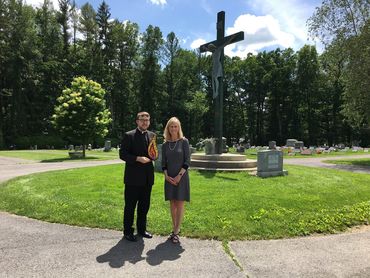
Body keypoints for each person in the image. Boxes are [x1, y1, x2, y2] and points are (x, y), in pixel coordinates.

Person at [119, 111, 156, 242]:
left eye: (147, 119)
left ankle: (141, 229)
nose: (145, 122)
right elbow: (122, 154)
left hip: (147, 178)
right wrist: (137, 158)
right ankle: (128, 231)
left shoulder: (152, 135)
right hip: (133, 179)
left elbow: (153, 153)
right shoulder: (129, 135)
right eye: (142, 119)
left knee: (144, 206)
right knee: (130, 206)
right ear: (137, 121)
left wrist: (154, 156)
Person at [161, 117, 190, 244]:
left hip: (181, 177)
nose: (173, 129)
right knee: (172, 204)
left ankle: (176, 231)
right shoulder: (165, 144)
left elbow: (187, 161)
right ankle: (174, 229)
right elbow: (163, 163)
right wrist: (166, 176)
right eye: (171, 126)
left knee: (180, 203)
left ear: (179, 128)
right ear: (168, 128)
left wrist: (179, 176)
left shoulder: (184, 142)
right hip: (169, 177)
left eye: (176, 126)